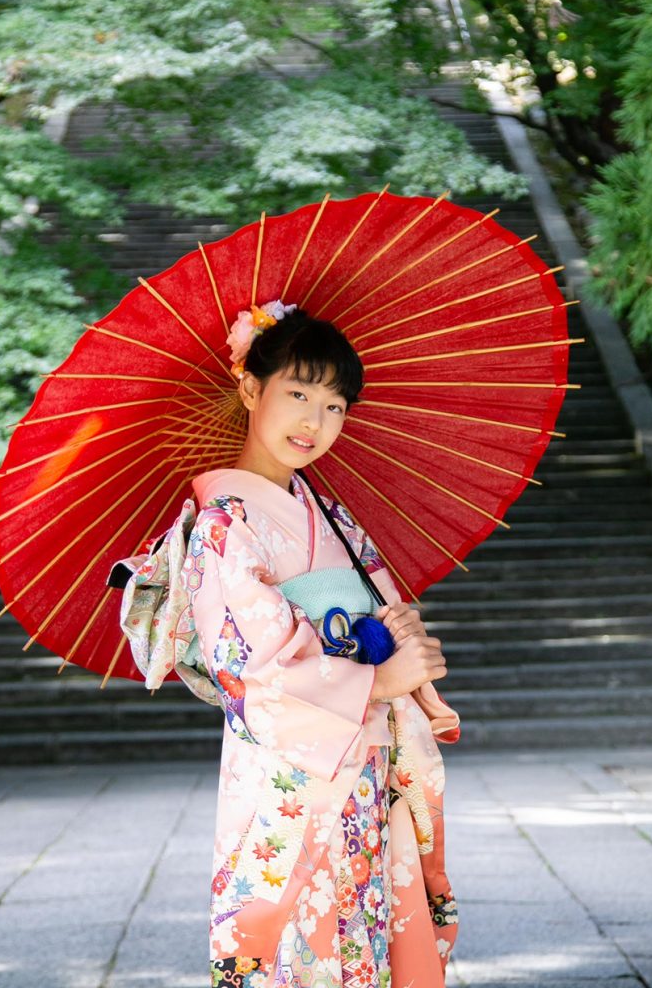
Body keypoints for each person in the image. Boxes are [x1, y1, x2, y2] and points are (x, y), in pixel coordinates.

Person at [181, 302, 459, 987]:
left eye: (335, 405)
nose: (315, 421)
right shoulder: (223, 527)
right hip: (287, 780)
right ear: (251, 388)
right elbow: (256, 682)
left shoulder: (329, 514)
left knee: (361, 942)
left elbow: (384, 611)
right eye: (299, 394)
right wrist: (383, 682)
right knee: (300, 952)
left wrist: (407, 652)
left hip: (361, 767)